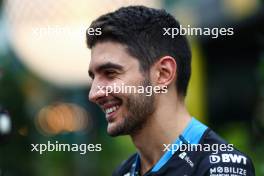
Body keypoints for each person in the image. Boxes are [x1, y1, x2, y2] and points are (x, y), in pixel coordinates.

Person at [86, 5, 255, 176]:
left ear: (163, 73)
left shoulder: (220, 168)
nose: (94, 94)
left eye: (110, 73)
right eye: (94, 77)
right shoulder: (123, 172)